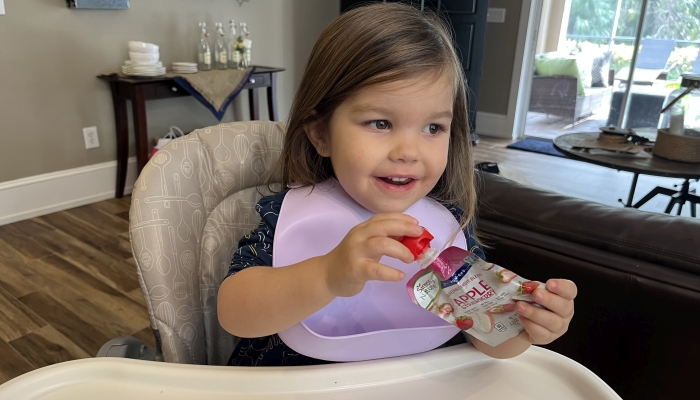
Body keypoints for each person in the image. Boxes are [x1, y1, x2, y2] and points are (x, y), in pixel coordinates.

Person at [218, 2, 577, 366]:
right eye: (380, 123)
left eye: (433, 128)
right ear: (320, 133)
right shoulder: (287, 215)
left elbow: (486, 338)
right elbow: (234, 313)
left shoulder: (447, 229)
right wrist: (327, 275)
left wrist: (525, 325)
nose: (409, 151)